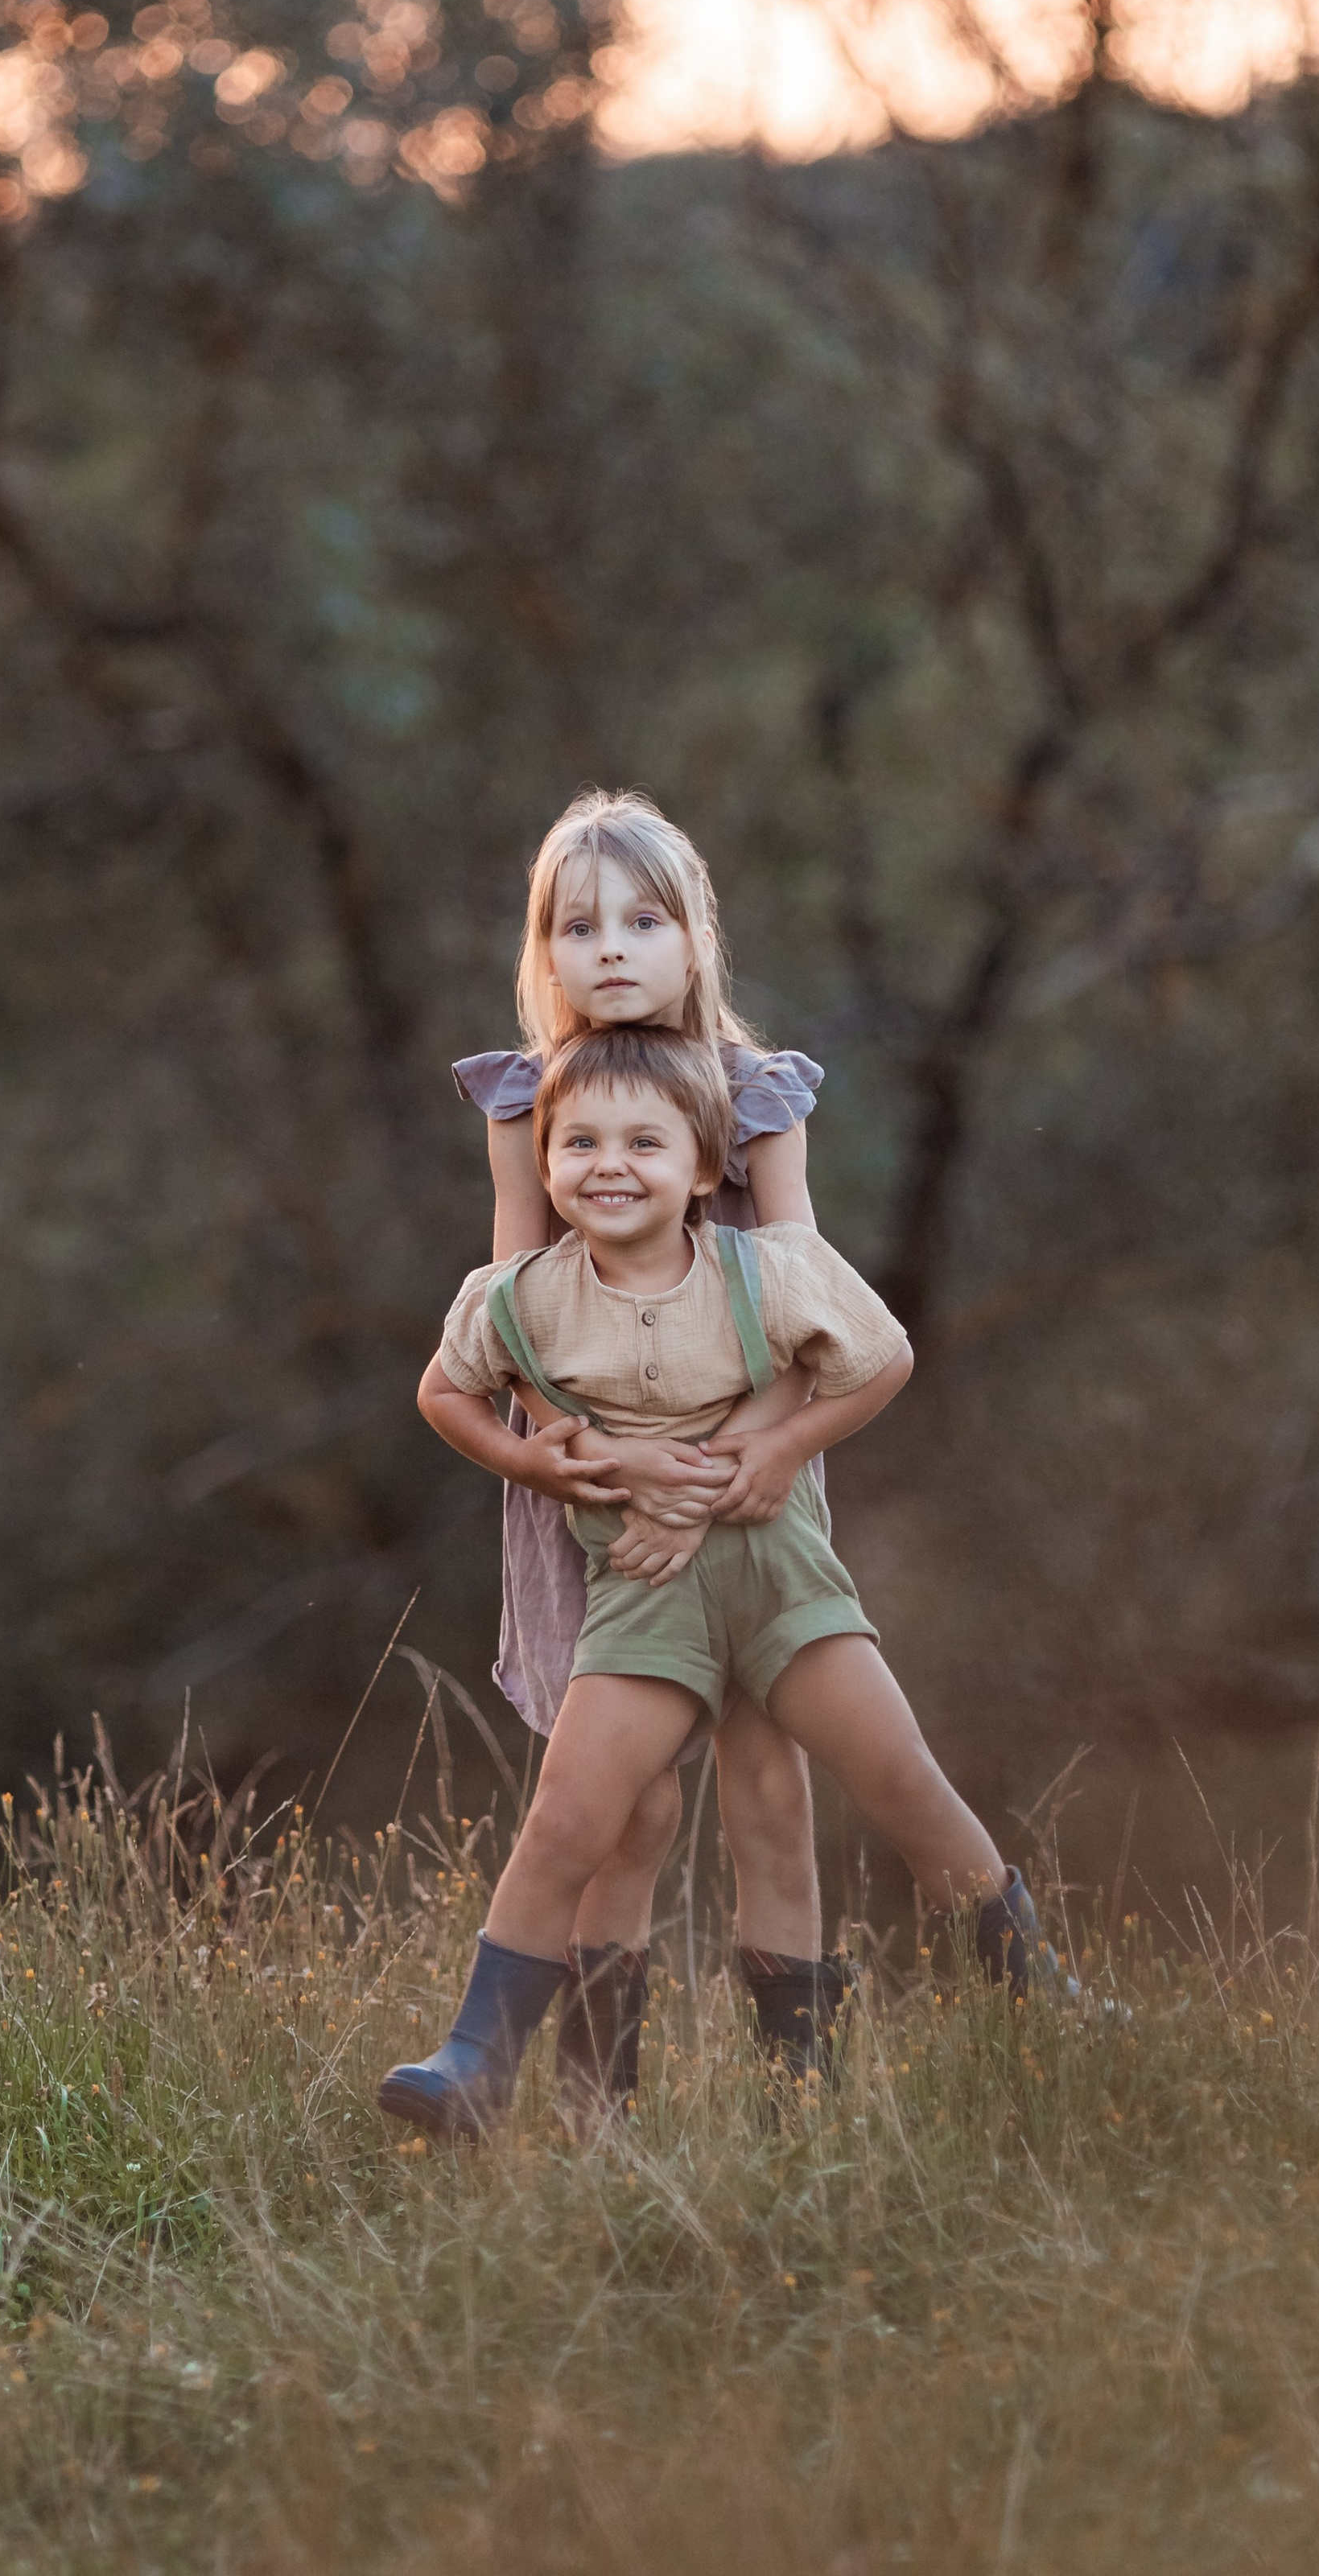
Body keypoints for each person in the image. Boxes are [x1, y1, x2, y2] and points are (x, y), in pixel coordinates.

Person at [378, 1025, 1055, 2142]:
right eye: (579, 1141)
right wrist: (525, 1456)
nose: (608, 1163)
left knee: (904, 1784)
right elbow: (443, 1394)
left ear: (704, 1169)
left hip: (785, 1576)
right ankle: (474, 2062)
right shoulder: (523, 1298)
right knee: (567, 1820)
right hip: (647, 1594)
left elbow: (883, 1360)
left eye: (644, 1142)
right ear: (546, 1165)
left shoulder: (765, 1272)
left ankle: (1032, 1996)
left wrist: (786, 1450)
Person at [451, 788, 840, 2104]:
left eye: (644, 918)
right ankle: (593, 2105)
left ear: (694, 939)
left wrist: (715, 1479)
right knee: (625, 1806)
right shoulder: (528, 1099)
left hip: (753, 1461)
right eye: (577, 926)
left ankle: (801, 2101)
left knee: (767, 1784)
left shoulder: (758, 1098)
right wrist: (585, 1463)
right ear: (542, 954)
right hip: (587, 1475)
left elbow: (809, 1314)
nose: (610, 947)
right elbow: (511, 1315)